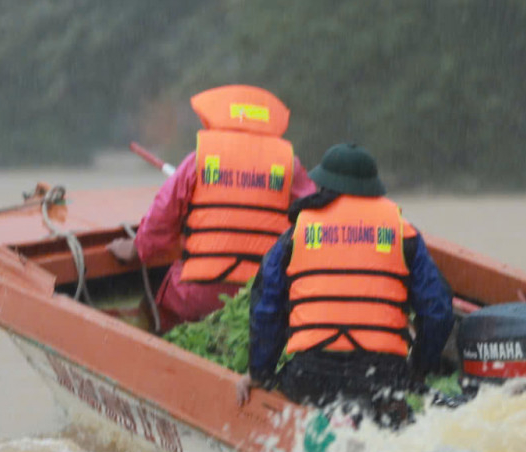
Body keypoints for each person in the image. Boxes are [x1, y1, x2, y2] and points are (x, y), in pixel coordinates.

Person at [237, 143, 455, 416]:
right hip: (382, 375)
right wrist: (420, 368)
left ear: (325, 184)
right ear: (372, 187)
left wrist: (260, 372)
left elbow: (266, 307)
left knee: (291, 384)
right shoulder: (403, 232)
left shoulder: (297, 234)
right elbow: (438, 311)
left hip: (312, 375)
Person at [109, 85, 315, 330]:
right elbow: (312, 219)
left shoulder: (200, 158)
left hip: (198, 294)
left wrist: (137, 249)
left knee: (157, 309)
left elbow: (161, 218)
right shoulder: (289, 164)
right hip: (264, 293)